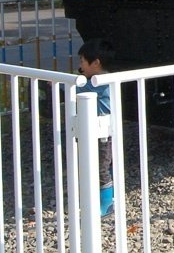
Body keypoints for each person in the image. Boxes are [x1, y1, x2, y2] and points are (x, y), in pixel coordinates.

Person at [77, 38, 115, 217]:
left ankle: (106, 203)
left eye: (83, 61)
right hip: (102, 132)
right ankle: (106, 198)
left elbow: (79, 91)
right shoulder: (102, 79)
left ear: (96, 63)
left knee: (101, 168)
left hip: (102, 134)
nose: (80, 65)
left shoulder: (98, 83)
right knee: (102, 165)